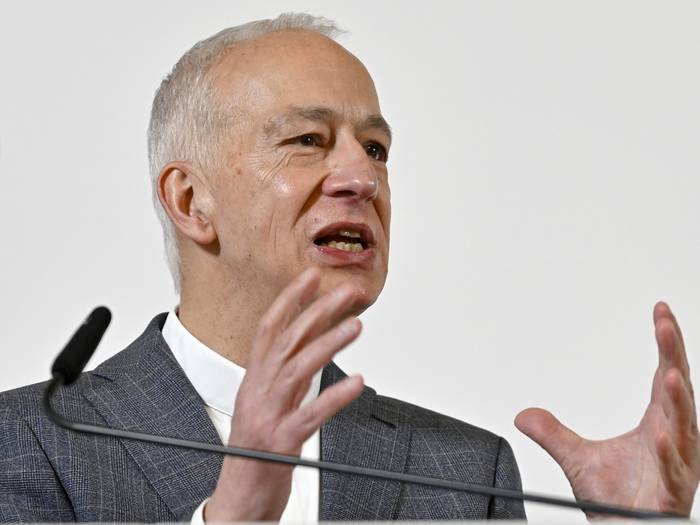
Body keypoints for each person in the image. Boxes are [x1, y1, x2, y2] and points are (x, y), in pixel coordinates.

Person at [1, 12, 698, 523]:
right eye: (308, 139)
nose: (361, 178)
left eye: (375, 149)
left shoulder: (465, 472)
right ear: (190, 201)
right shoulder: (30, 439)